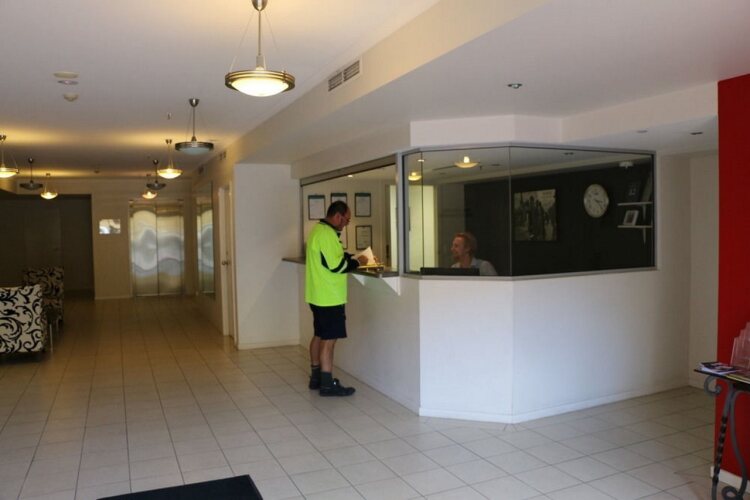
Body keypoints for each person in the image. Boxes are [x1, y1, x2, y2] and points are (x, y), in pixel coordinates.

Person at [305, 201, 368, 396]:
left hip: (317, 295)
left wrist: (349, 258)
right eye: (346, 220)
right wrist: (358, 262)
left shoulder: (318, 230)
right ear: (338, 216)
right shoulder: (327, 234)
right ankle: (327, 384)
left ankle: (316, 378)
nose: (346, 224)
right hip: (329, 297)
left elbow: (332, 258)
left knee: (319, 335)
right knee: (329, 340)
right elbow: (336, 266)